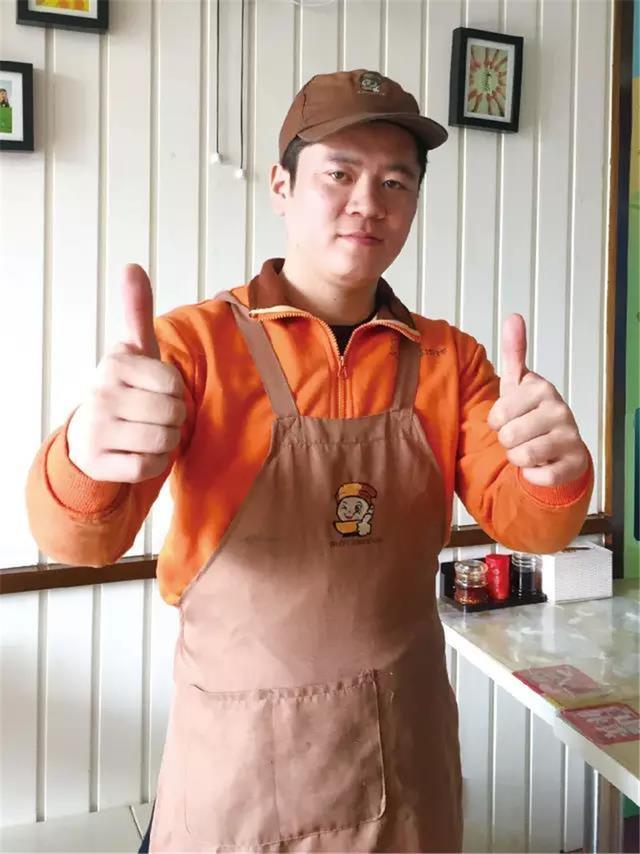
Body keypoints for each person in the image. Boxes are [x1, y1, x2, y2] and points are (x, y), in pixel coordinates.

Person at [26, 69, 593, 853]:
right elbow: (79, 540)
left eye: (395, 182)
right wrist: (86, 458)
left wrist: (557, 473)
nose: (368, 202)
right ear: (281, 187)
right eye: (339, 174)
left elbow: (532, 525)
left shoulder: (449, 360)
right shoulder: (192, 348)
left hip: (404, 765)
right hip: (238, 775)